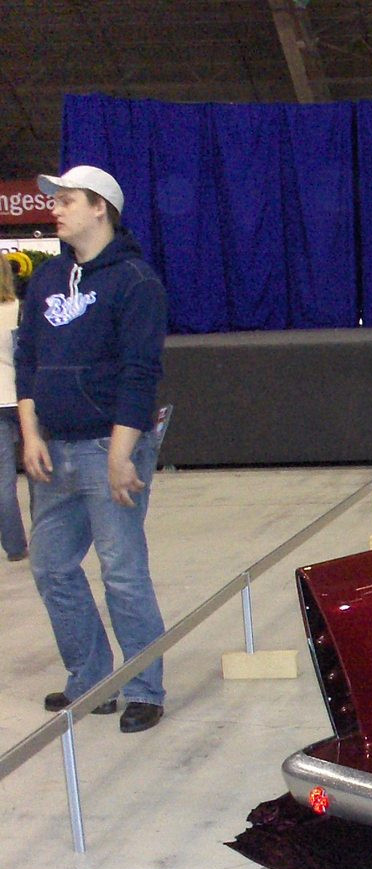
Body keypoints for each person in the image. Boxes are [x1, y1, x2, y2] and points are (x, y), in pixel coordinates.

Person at [14, 165, 168, 732]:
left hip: (110, 445)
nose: (54, 208)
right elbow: (27, 360)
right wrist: (30, 434)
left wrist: (121, 453)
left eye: (67, 200)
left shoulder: (135, 282)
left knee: (122, 570)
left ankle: (145, 685)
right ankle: (92, 679)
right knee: (52, 567)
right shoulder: (49, 279)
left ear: (100, 207)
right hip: (53, 450)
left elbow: (140, 373)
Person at [0, 259, 25, 561]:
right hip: (22, 397)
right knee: (40, 475)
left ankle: (15, 546)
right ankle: (46, 538)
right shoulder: (18, 311)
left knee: (4, 482)